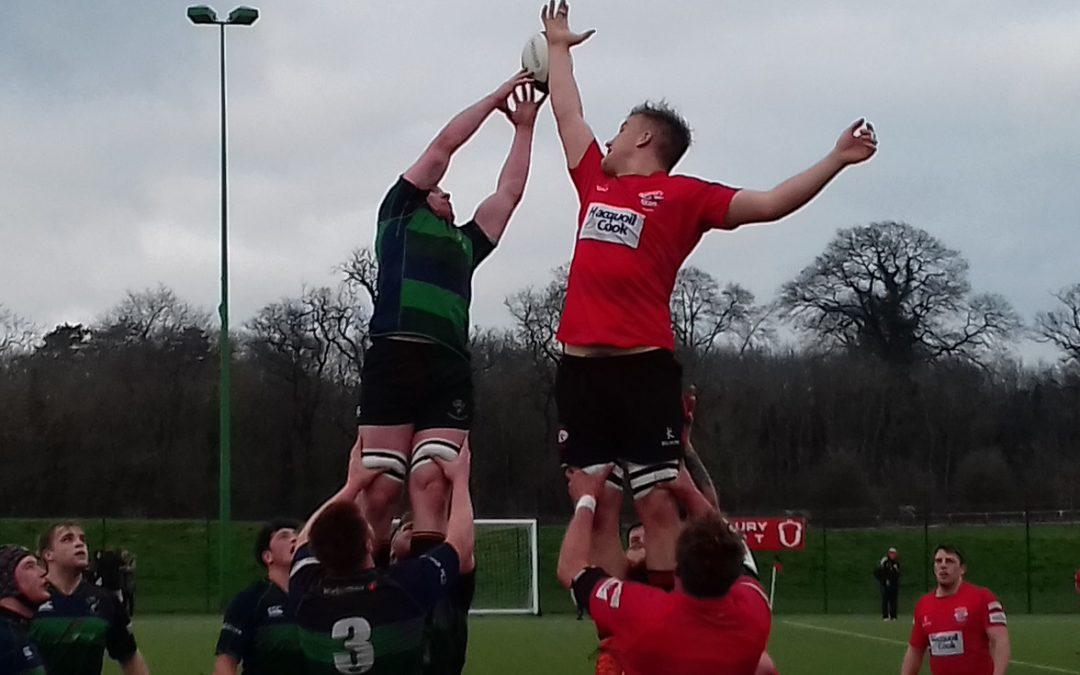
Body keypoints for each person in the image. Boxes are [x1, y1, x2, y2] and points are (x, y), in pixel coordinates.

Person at [540, 0, 878, 590]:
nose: (610, 137)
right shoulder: (595, 179)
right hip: (580, 372)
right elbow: (567, 112)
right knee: (597, 504)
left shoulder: (684, 197)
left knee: (657, 504)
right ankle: (621, 632)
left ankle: (677, 616)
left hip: (643, 370)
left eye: (621, 128)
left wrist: (837, 160)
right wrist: (560, 47)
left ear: (643, 137)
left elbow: (769, 203)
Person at [356, 72, 546, 567]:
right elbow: (445, 144)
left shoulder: (466, 243)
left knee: (431, 480)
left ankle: (427, 601)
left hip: (446, 366)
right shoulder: (398, 216)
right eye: (441, 192)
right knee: (378, 490)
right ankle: (367, 585)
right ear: (422, 197)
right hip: (394, 355)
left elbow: (508, 193)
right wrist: (496, 98)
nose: (449, 196)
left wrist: (524, 127)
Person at [558, 467, 772, 675]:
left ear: (677, 569)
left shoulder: (644, 612)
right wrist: (691, 491)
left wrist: (586, 499)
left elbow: (571, 568)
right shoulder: (754, 608)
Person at [290, 440, 475, 673]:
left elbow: (303, 541)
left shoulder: (307, 591)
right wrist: (460, 479)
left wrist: (352, 486)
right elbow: (461, 545)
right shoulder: (403, 588)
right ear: (368, 543)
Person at [31, 522, 149, 675]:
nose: (79, 544)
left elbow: (129, 656)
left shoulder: (106, 601)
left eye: (82, 539)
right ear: (48, 554)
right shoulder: (28, 598)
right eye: (68, 539)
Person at [901, 545, 1010, 675]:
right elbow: (915, 650)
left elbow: (1000, 640)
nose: (943, 565)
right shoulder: (923, 605)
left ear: (962, 569)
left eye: (949, 561)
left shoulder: (982, 597)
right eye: (938, 561)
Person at [213, 521, 304, 675]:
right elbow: (226, 661)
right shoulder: (250, 600)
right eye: (284, 536)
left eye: (297, 536)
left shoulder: (316, 597)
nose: (294, 539)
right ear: (268, 556)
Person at [390, 513, 476, 675]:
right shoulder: (381, 579)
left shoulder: (451, 583)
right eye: (408, 528)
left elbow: (461, 548)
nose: (413, 532)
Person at [0, 545, 50, 675]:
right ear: (7, 577)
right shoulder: (5, 639)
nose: (43, 572)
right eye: (30, 566)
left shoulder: (18, 631)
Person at [875, 546, 901, 620]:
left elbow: (898, 574)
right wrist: (884, 580)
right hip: (885, 585)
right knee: (885, 600)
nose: (892, 555)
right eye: (891, 553)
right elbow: (879, 572)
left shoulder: (896, 563)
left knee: (893, 600)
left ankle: (893, 616)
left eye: (894, 554)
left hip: (894, 585)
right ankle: (885, 616)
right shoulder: (885, 562)